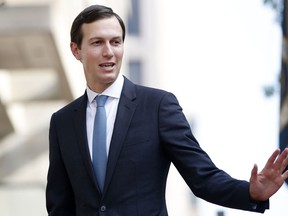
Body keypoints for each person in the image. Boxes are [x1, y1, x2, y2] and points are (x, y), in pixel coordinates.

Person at [46, 4, 288, 216]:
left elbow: (202, 177)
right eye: (97, 42)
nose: (109, 51)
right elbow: (59, 204)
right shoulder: (62, 122)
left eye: (116, 42)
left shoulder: (158, 106)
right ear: (76, 50)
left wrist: (250, 192)